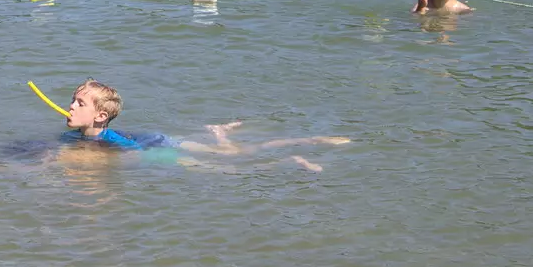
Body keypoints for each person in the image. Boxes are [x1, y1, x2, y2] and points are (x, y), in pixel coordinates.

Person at [59, 79, 349, 168]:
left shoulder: (107, 139)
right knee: (234, 155)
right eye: (73, 100)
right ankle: (220, 133)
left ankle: (298, 153)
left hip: (159, 147)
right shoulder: (80, 137)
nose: (71, 106)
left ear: (100, 116)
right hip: (158, 139)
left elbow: (133, 150)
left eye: (79, 103)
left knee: (228, 168)